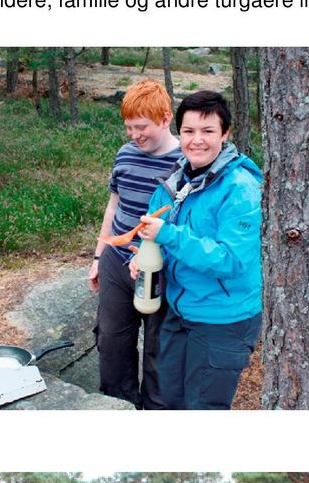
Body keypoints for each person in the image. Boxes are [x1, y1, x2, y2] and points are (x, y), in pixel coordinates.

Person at [130, 89, 263, 410]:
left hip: (223, 319)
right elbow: (154, 233)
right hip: (180, 309)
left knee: (203, 408)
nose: (197, 140)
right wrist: (142, 255)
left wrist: (169, 237)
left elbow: (230, 261)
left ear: (225, 134)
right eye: (189, 131)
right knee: (169, 399)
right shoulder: (176, 180)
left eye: (208, 131)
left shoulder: (240, 188)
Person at [90, 79, 182, 409]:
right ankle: (119, 406)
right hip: (117, 261)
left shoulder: (186, 162)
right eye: (129, 127)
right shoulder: (125, 154)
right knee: (111, 341)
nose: (134, 135)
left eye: (141, 127)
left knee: (161, 346)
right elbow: (113, 206)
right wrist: (99, 256)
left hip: (161, 268)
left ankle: (157, 411)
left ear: (165, 118)